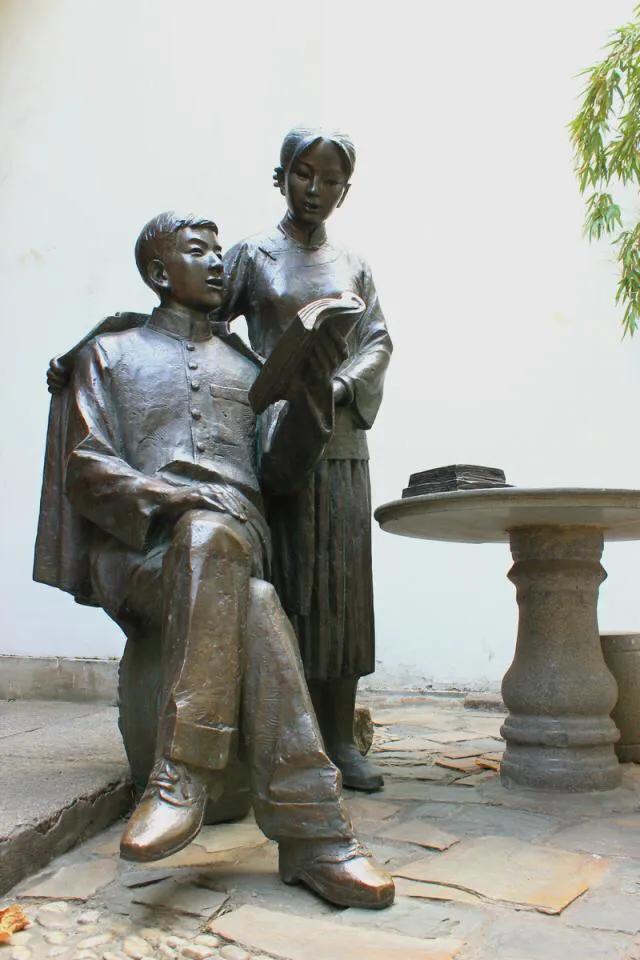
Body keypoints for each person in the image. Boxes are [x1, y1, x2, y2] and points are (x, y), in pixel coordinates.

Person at [34, 212, 394, 910]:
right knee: (226, 564)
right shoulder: (110, 355)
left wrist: (313, 386)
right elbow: (86, 467)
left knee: (235, 571)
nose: (218, 262)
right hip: (142, 552)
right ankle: (314, 836)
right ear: (158, 272)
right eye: (198, 251)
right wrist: (174, 497)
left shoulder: (251, 369)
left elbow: (282, 473)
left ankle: (189, 780)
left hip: (237, 543)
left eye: (220, 251)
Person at [220, 128, 393, 791]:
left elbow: (378, 340)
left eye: (330, 180)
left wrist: (340, 385)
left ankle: (340, 739)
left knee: (342, 589)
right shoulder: (251, 256)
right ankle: (284, 740)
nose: (315, 189)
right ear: (281, 176)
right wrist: (258, 380)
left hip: (341, 444)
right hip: (275, 445)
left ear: (346, 190)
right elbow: (206, 328)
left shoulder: (354, 265)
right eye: (303, 174)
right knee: (288, 584)